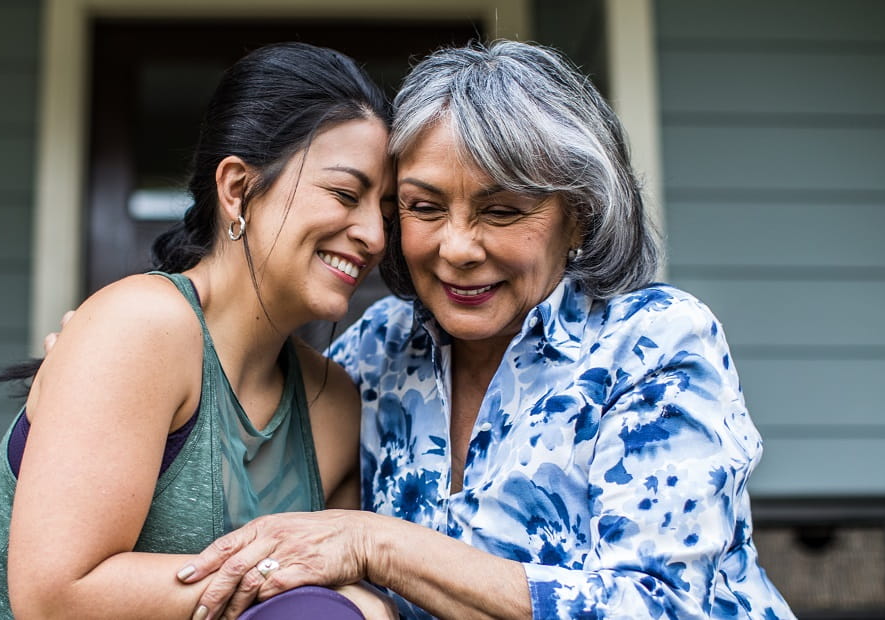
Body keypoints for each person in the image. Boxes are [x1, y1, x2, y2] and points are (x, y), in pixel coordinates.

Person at [175, 41, 795, 620]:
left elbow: (655, 605)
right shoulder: (378, 349)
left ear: (577, 218)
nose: (459, 247)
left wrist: (377, 545)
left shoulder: (653, 340)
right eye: (423, 207)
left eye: (502, 211)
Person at [0, 42, 399, 619]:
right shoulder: (143, 327)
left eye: (387, 211)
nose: (374, 234)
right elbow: (56, 597)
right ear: (238, 188)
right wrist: (281, 579)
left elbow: (338, 599)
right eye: (345, 195)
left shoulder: (333, 405)